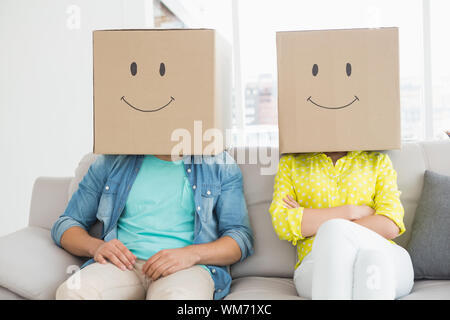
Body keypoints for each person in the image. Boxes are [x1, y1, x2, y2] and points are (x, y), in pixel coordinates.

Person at [51, 152, 253, 300]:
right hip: (122, 265)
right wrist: (97, 247)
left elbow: (239, 238)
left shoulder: (219, 164)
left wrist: (192, 254)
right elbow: (67, 224)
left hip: (186, 269)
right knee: (73, 292)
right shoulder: (111, 159)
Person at [269, 150, 414, 299]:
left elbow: (390, 224)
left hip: (381, 253)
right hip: (317, 262)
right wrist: (351, 211)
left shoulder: (377, 160)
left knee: (370, 258)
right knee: (338, 235)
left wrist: (311, 217)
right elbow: (283, 223)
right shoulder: (292, 162)